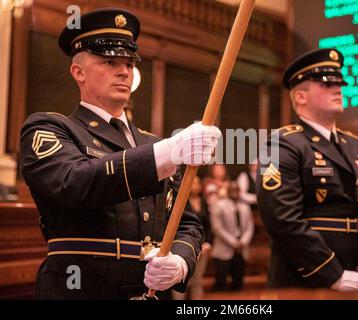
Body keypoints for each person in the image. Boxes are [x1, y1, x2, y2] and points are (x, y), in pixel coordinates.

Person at [19, 8, 221, 299]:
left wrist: (179, 260)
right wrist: (169, 151)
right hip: (80, 288)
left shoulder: (152, 143)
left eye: (129, 63)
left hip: (149, 290)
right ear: (78, 72)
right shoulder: (50, 128)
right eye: (110, 61)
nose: (124, 71)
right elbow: (75, 183)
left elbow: (186, 221)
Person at [257, 48, 358, 292]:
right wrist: (332, 274)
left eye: (339, 83)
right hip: (306, 279)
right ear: (301, 97)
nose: (338, 89)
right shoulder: (282, 144)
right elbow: (282, 219)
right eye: (326, 84)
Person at [210, 182, 254, 291]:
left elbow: (250, 227)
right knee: (221, 282)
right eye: (232, 190)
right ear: (228, 191)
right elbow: (217, 228)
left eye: (237, 190)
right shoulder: (218, 205)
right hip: (223, 249)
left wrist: (242, 242)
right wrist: (233, 242)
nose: (235, 192)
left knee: (238, 283)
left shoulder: (245, 207)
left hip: (241, 250)